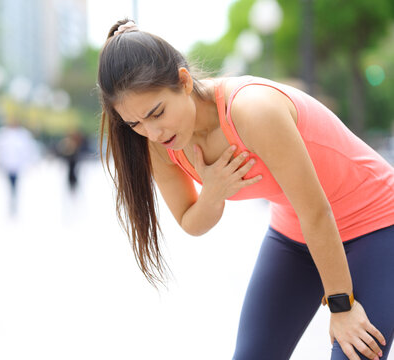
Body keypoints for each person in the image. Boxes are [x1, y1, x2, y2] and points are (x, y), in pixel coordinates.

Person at [97, 19, 394, 360]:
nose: (153, 131)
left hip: (378, 222)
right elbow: (190, 221)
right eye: (135, 123)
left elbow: (317, 209)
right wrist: (213, 191)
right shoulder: (159, 144)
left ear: (183, 81)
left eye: (157, 112)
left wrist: (342, 305)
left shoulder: (251, 110)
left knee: (354, 353)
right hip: (296, 233)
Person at [0, 117, 39, 215]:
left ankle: (13, 199)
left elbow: (29, 150)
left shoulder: (22, 135)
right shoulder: (3, 134)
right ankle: (12, 199)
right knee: (11, 183)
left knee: (14, 183)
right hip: (7, 164)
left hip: (17, 165)